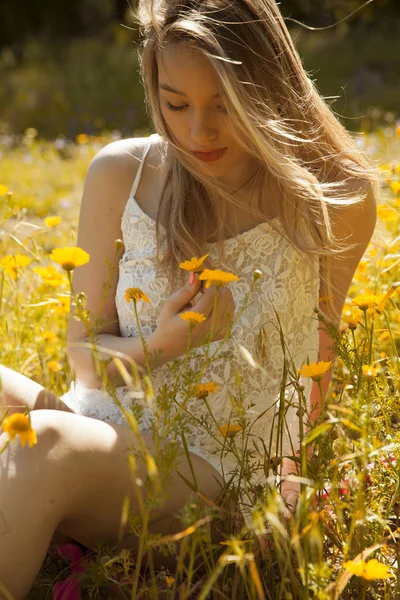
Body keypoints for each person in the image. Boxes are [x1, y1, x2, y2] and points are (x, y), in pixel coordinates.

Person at [0, 0, 379, 597]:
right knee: (41, 426)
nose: (198, 132)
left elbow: (318, 365)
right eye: (177, 105)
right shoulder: (121, 172)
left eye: (225, 107)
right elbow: (83, 360)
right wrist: (161, 345)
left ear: (270, 89)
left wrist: (289, 498)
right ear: (154, 88)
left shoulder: (334, 198)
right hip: (102, 423)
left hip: (217, 475)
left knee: (41, 443)